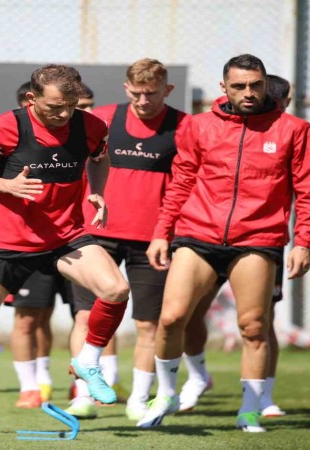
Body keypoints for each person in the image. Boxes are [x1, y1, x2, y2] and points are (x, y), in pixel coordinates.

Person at [0, 64, 131, 438]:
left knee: (116, 289)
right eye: (55, 107)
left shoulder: (91, 126)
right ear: (32, 99)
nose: (64, 114)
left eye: (71, 106)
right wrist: (8, 186)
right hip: (10, 242)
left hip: (65, 236)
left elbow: (99, 159)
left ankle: (88, 361)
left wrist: (97, 191)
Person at [138, 54, 310, 433]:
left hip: (257, 238)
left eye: (255, 85)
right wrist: (161, 231)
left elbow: (308, 190)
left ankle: (250, 409)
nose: (248, 92)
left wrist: (305, 241)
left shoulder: (294, 130)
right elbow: (181, 181)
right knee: (171, 318)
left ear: (265, 84)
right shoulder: (198, 126)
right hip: (197, 234)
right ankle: (166, 394)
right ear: (224, 87)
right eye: (239, 86)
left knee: (253, 326)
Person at [66, 58, 190, 421]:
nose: (143, 101)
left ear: (167, 90)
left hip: (152, 241)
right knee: (86, 316)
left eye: (151, 93)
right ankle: (83, 395)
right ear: (126, 88)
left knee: (148, 324)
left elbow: (186, 183)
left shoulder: (185, 126)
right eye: (136, 93)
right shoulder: (101, 119)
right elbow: (72, 166)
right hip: (95, 235)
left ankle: (138, 400)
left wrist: (165, 233)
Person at [3, 80, 76, 408]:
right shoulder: (7, 139)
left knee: (85, 313)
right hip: (27, 242)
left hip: (72, 240)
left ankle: (81, 385)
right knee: (30, 317)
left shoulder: (79, 138)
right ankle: (32, 386)